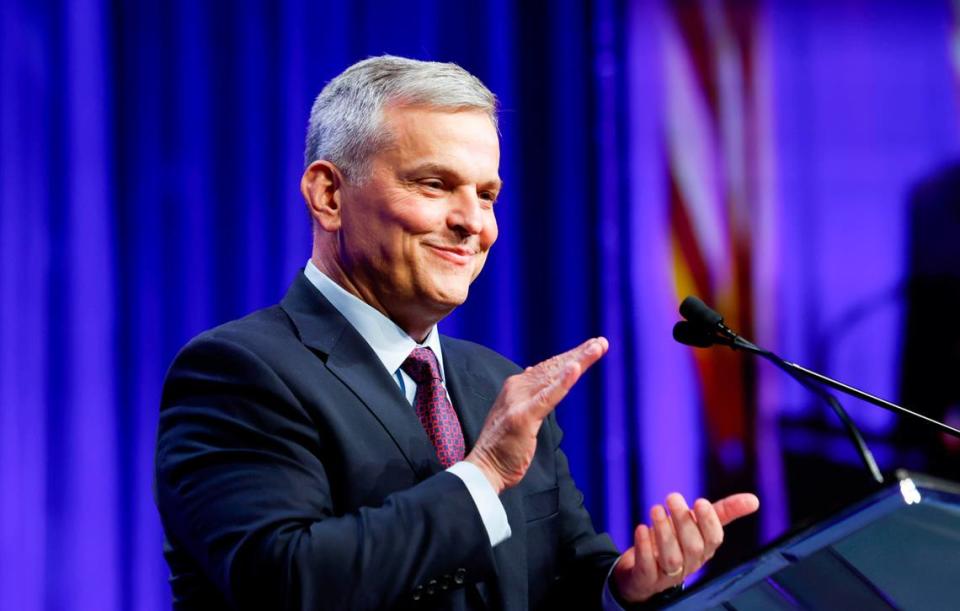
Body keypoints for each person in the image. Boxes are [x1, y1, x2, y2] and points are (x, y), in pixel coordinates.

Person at [154, 55, 759, 611]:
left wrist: (625, 588)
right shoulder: (238, 371)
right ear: (329, 195)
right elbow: (287, 583)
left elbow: (560, 582)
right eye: (435, 185)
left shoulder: (494, 382)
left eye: (487, 194)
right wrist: (486, 470)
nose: (473, 223)